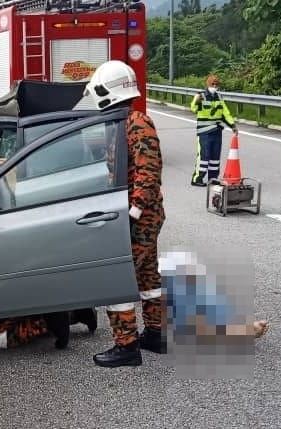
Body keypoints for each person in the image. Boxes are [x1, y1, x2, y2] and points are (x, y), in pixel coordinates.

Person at [83, 60, 166, 367]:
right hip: (145, 215)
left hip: (139, 217)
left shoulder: (136, 123)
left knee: (116, 278)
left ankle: (126, 346)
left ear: (109, 91)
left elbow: (148, 170)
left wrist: (132, 212)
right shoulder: (124, 122)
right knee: (147, 278)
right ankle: (156, 334)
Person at [189, 74, 237, 187]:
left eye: (216, 84)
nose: (215, 86)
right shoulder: (200, 95)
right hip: (204, 132)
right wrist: (197, 102)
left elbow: (225, 113)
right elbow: (193, 108)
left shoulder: (219, 97)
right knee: (204, 156)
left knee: (215, 157)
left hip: (217, 131)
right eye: (212, 84)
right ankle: (197, 179)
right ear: (208, 84)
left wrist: (233, 125)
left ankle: (213, 178)